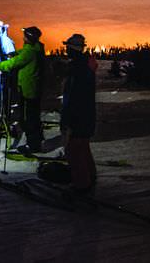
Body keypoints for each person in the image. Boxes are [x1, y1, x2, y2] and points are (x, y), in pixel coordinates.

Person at [0, 26, 45, 154]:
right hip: (32, 88)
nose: (22, 37)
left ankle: (33, 145)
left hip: (28, 90)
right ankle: (37, 139)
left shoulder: (30, 52)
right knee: (32, 116)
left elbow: (10, 65)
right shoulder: (36, 47)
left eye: (25, 35)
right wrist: (15, 53)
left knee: (28, 118)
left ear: (28, 38)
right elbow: (23, 52)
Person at [61, 33, 97, 192]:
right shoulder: (82, 66)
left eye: (68, 47)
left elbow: (75, 96)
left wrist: (69, 118)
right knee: (82, 147)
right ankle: (90, 177)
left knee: (74, 150)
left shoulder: (78, 69)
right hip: (86, 114)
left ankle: (82, 184)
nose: (66, 50)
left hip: (78, 114)